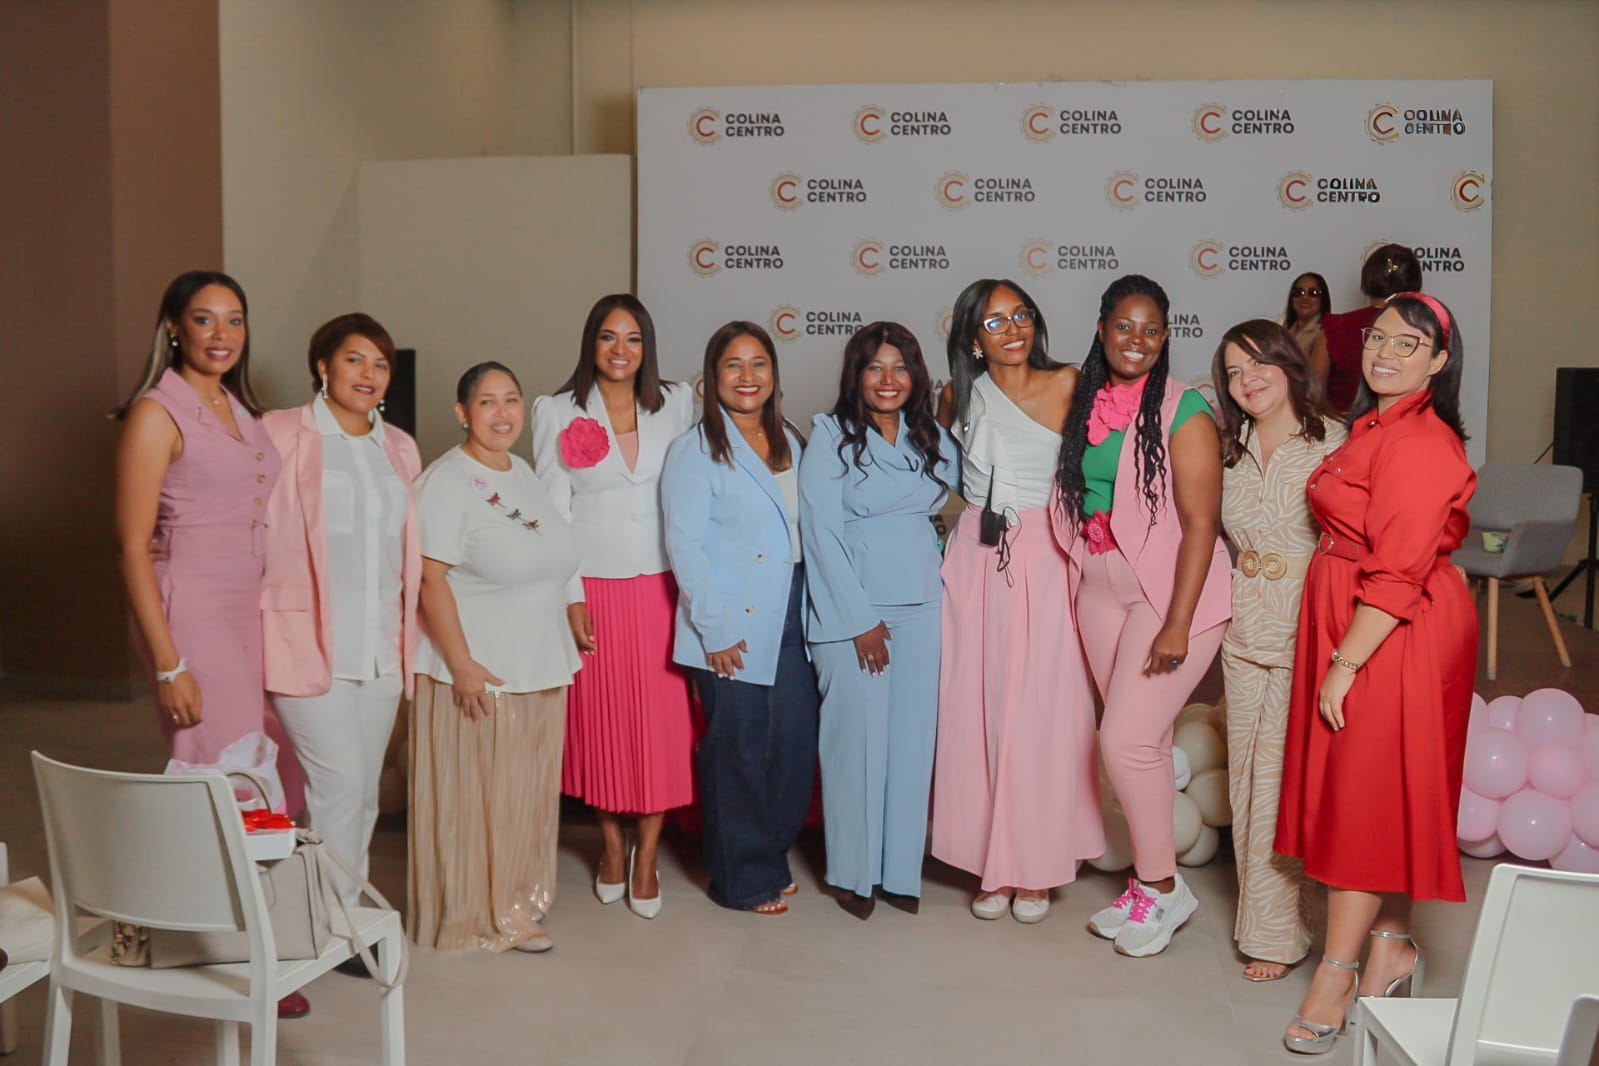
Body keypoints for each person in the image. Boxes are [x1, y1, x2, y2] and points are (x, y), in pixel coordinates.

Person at [1276, 293, 1476, 1054]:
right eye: (1377, 338)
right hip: (1359, 614)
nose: (1385, 352)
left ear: (1438, 361)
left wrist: (1343, 663)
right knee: (1375, 794)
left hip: (1393, 629)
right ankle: (1391, 946)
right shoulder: (1374, 425)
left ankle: (1335, 975)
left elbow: (1396, 574)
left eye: (1407, 343)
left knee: (1360, 802)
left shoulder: (1421, 442)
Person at [113, 270, 307, 1018]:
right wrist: (169, 664)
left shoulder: (236, 407)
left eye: (235, 319)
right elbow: (133, 547)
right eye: (204, 319)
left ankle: (225, 933)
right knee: (224, 772)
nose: (221, 334)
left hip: (244, 608)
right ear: (173, 327)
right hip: (189, 608)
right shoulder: (156, 414)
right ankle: (235, 952)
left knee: (270, 762)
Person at [1052, 274, 1231, 959]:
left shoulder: (1184, 409)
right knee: (1144, 746)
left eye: (1151, 329)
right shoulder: (1083, 401)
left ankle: (1161, 887)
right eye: (1124, 326)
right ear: (1101, 330)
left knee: (1123, 740)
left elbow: (1200, 523)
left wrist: (1177, 623)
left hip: (1168, 594)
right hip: (1098, 588)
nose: (1137, 340)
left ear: (1165, 336)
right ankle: (1150, 885)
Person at [932, 278, 1101, 925]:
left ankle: (1036, 863)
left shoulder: (1068, 382)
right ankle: (992, 862)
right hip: (975, 558)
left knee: (1042, 713)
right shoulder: (958, 394)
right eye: (995, 321)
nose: (1013, 329)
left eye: (1021, 315)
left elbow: (1097, 474)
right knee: (978, 708)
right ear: (972, 339)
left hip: (1046, 553)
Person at [530, 294, 697, 919]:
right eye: (608, 337)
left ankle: (647, 856)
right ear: (590, 343)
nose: (620, 350)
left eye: (633, 338)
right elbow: (553, 513)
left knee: (659, 728)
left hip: (661, 586)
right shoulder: (555, 410)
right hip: (593, 588)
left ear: (647, 346)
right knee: (599, 723)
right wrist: (570, 596)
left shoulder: (677, 402)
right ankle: (609, 844)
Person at [409, 362, 582, 953]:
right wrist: (461, 664)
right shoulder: (446, 481)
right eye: (487, 401)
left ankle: (519, 901)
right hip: (479, 669)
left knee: (525, 794)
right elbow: (429, 579)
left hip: (538, 660)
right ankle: (472, 915)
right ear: (462, 413)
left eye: (511, 399)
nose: (502, 412)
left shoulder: (524, 471)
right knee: (476, 798)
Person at [261, 314, 422, 947]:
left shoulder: (400, 447)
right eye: (355, 359)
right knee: (340, 785)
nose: (369, 374)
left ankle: (335, 916)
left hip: (381, 649)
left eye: (381, 364)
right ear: (323, 366)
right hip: (302, 643)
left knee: (363, 796)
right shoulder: (279, 432)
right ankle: (323, 926)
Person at [799, 322, 956, 920]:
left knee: (912, 745)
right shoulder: (830, 436)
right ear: (856, 375)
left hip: (923, 605)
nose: (889, 380)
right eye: (875, 367)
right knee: (855, 746)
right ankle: (852, 873)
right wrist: (859, 619)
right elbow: (820, 533)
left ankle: (898, 872)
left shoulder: (930, 437)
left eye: (900, 367)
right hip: (855, 612)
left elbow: (985, 486)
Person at [662, 322, 818, 916]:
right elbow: (684, 545)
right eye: (734, 364)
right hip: (730, 616)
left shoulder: (792, 438)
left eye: (759, 363)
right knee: (739, 752)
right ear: (712, 377)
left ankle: (770, 856)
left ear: (774, 374)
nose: (747, 376)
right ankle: (741, 879)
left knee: (792, 748)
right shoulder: (695, 449)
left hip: (793, 611)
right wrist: (717, 629)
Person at [1210, 319, 1347, 982]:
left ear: (1289, 363)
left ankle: (1279, 934)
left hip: (1307, 628)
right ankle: (1268, 922)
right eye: (1233, 372)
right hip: (1242, 631)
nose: (1247, 380)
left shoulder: (1334, 441)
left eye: (1258, 363)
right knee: (1244, 780)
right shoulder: (1226, 445)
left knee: (1280, 783)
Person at [1311, 245, 1421, 413]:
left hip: (1343, 426)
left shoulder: (1335, 329)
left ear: (1368, 279)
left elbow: (1312, 395)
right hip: (1404, 425)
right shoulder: (1425, 332)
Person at [1282, 272, 1331, 359]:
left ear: (1323, 299)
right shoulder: (1285, 329)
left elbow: (1318, 369)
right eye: (1299, 292)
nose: (1305, 298)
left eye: (1313, 293)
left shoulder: (1324, 333)